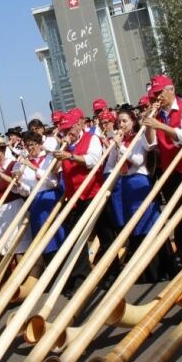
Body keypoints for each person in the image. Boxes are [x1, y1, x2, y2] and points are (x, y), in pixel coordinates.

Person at [142, 74, 182, 269]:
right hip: (170, 171)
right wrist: (150, 123)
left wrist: (160, 126)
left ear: (171, 90)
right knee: (178, 218)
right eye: (155, 94)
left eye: (160, 93)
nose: (158, 97)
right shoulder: (157, 115)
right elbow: (150, 145)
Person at [106, 107, 163, 282]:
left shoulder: (139, 137)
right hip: (125, 183)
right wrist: (115, 147)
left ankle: (157, 271)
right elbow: (112, 163)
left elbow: (138, 160)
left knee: (146, 226)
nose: (121, 125)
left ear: (133, 122)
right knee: (134, 228)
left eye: (124, 121)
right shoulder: (119, 139)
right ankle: (142, 273)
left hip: (139, 181)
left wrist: (120, 146)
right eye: (119, 122)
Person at [52, 110, 106, 294]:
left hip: (93, 193)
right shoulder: (65, 146)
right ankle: (79, 280)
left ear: (78, 125)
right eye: (63, 130)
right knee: (76, 239)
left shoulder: (92, 139)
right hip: (74, 198)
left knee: (104, 234)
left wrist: (70, 156)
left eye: (69, 129)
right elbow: (53, 173)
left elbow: (93, 160)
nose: (67, 134)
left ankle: (111, 271)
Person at [0, 137, 31, 257]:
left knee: (18, 245)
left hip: (14, 207)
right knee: (3, 247)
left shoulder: (14, 164)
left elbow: (15, 184)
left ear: (1, 150)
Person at [19, 130, 65, 263]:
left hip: (50, 199)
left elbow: (53, 182)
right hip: (36, 203)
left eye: (32, 144)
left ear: (40, 144)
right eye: (27, 146)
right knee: (43, 243)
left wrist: (34, 168)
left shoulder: (48, 158)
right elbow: (28, 190)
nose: (30, 148)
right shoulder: (25, 164)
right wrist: (20, 185)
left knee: (57, 236)